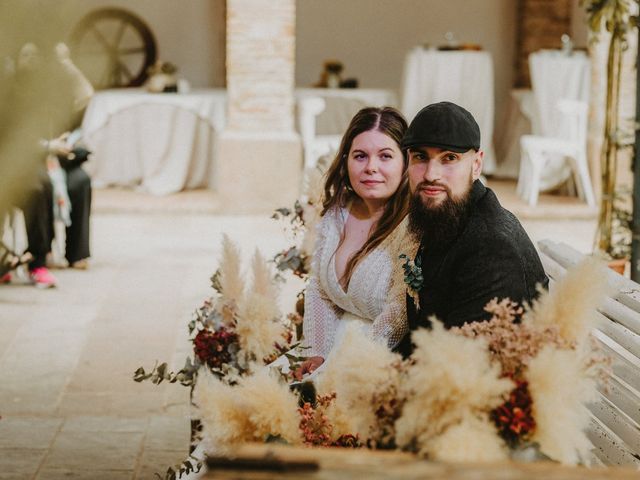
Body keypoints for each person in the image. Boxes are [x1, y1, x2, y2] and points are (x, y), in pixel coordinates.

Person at [395, 101, 549, 357]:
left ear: (476, 165)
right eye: (421, 157)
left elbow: (457, 362)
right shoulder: (444, 217)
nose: (431, 174)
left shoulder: (491, 248)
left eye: (449, 158)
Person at [295, 106, 416, 379]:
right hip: (328, 352)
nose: (371, 167)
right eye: (360, 156)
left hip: (378, 363)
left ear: (405, 163)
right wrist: (316, 352)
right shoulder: (337, 213)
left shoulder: (412, 226)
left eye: (385, 156)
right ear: (346, 160)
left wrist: (343, 370)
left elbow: (399, 314)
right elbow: (319, 289)